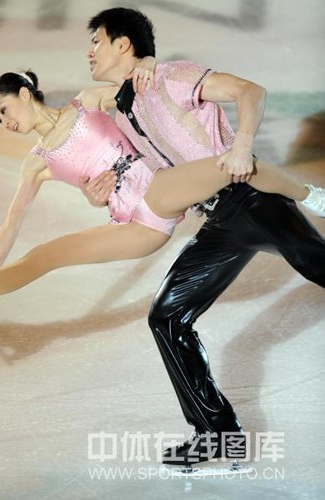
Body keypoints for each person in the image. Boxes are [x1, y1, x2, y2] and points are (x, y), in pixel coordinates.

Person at [0, 66, 324, 462]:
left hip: (160, 192)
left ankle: (312, 196)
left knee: (238, 175)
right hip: (134, 223)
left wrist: (146, 64)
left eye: (4, 109)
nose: (4, 122)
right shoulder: (36, 163)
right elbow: (11, 223)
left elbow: (140, 96)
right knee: (48, 255)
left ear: (26, 94)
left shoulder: (86, 103)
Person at [81, 7, 325, 465]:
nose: (89, 51)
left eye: (97, 40)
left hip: (252, 196)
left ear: (123, 43)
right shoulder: (123, 112)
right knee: (167, 317)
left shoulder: (169, 77)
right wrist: (102, 192)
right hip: (218, 222)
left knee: (319, 265)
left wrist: (243, 145)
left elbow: (250, 90)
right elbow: (141, 176)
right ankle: (218, 436)